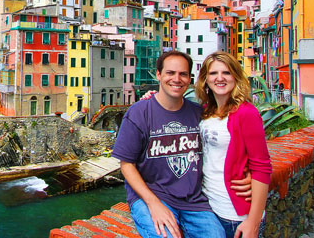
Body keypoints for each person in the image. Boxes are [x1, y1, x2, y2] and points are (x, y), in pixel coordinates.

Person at [112, 51, 225, 238]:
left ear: (190, 78)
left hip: (194, 202)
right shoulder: (139, 113)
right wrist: (153, 203)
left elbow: (222, 146)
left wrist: (246, 174)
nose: (177, 79)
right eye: (170, 73)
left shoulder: (200, 114)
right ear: (158, 75)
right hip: (152, 196)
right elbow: (126, 164)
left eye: (183, 74)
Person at [196, 52, 272, 238]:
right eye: (213, 73)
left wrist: (253, 223)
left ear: (235, 77)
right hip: (209, 207)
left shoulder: (246, 113)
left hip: (235, 215)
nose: (220, 78)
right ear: (205, 80)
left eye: (226, 73)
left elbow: (262, 166)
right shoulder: (207, 111)